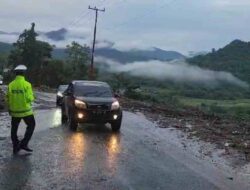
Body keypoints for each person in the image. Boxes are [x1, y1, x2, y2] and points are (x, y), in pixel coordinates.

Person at [6, 65, 35, 154]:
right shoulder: (27, 84)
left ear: (16, 74)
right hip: (26, 111)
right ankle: (23, 143)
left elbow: (7, 98)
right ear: (23, 74)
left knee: (14, 129)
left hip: (14, 112)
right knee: (31, 125)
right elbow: (30, 98)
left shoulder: (11, 85)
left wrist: (10, 108)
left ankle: (15, 147)